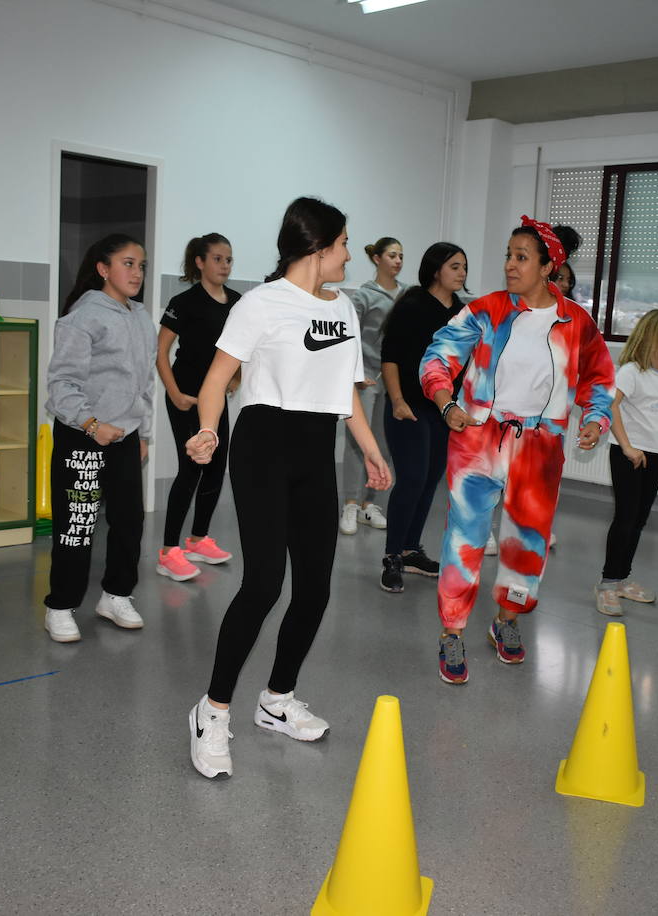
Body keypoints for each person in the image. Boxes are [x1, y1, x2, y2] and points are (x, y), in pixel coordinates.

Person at [185, 197, 390, 779]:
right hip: (264, 442)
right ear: (316, 248)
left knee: (316, 588)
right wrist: (205, 430)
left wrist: (371, 451)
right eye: (344, 243)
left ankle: (276, 699)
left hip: (314, 446)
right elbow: (217, 380)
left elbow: (344, 390)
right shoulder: (262, 304)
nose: (350, 253)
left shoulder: (344, 308)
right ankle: (212, 710)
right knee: (264, 583)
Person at [421, 217, 613, 685]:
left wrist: (594, 418)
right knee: (464, 538)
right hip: (477, 438)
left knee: (527, 543)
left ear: (549, 267)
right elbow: (438, 354)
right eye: (508, 254)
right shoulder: (486, 310)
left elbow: (599, 379)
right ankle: (452, 630)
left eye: (521, 257)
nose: (509, 264)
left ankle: (506, 621)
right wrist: (446, 401)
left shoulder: (576, 322)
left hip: (540, 446)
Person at [42, 234, 155, 642]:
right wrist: (92, 425)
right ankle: (60, 605)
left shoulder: (141, 317)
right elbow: (61, 386)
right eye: (127, 263)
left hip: (125, 436)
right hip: (83, 435)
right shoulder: (84, 315)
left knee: (129, 522)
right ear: (103, 269)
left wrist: (144, 431)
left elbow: (145, 382)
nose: (137, 272)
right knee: (78, 525)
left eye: (141, 265)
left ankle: (116, 595)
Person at [377, 242, 467, 593]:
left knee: (430, 480)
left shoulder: (462, 311)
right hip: (409, 407)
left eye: (464, 268)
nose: (461, 273)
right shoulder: (412, 306)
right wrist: (397, 400)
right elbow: (391, 358)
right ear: (436, 270)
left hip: (442, 411)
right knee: (412, 479)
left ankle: (411, 550)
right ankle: (391, 557)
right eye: (455, 266)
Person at [154, 233, 239, 582]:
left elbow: (241, 349)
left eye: (229, 259)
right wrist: (173, 393)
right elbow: (160, 353)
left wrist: (235, 379)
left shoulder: (237, 301)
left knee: (217, 467)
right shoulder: (183, 301)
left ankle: (198, 539)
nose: (224, 265)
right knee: (191, 470)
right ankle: (168, 551)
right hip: (185, 395)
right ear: (200, 262)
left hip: (215, 400)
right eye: (217, 259)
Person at [595, 309, 658, 616]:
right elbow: (612, 405)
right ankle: (607, 583)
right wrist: (627, 446)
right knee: (625, 517)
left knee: (639, 519)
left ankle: (623, 579)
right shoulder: (632, 371)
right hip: (628, 455)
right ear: (650, 336)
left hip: (655, 454)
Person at [339, 236, 406, 535]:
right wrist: (355, 374)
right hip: (365, 378)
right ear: (377, 259)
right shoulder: (363, 296)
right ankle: (350, 503)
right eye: (392, 255)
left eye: (401, 256)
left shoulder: (406, 296)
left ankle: (369, 504)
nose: (398, 261)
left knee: (383, 440)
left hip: (391, 380)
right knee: (358, 442)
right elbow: (349, 336)